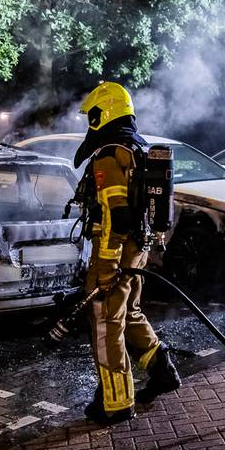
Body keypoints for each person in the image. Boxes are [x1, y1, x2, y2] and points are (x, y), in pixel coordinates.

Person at [73, 82, 181, 425]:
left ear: (101, 113)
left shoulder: (108, 155)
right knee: (129, 312)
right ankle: (162, 372)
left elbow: (114, 217)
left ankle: (116, 401)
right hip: (137, 252)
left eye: (91, 115)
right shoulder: (137, 147)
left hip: (114, 254)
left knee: (107, 323)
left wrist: (105, 271)